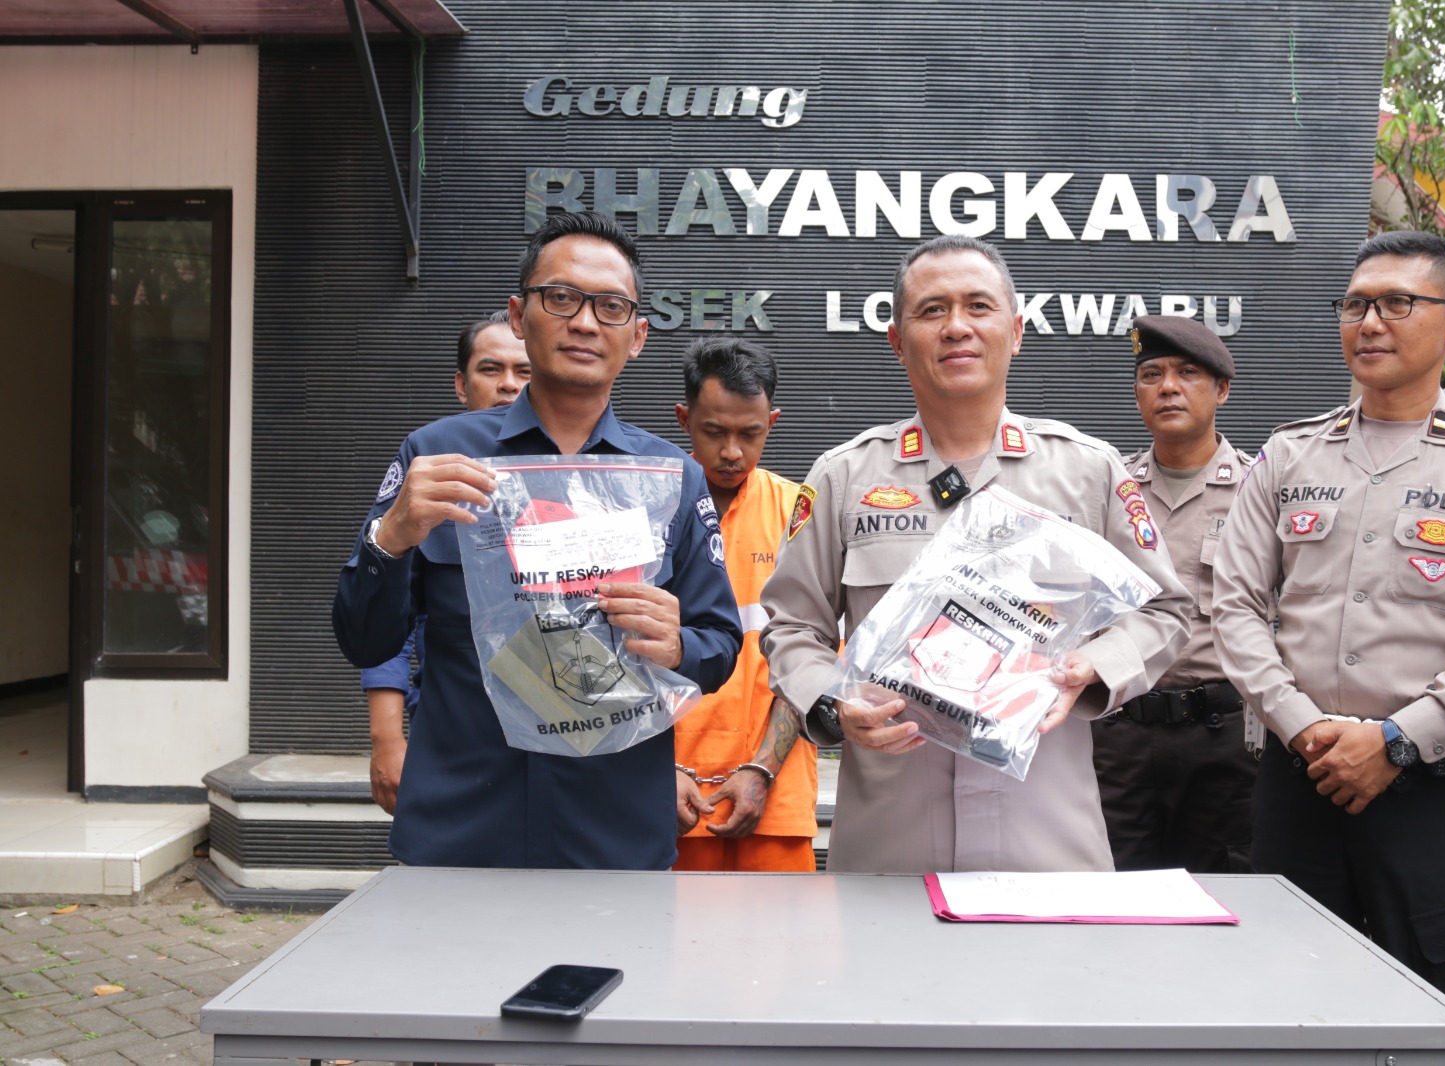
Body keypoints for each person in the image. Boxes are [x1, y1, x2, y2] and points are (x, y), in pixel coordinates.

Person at [1212, 230, 1445, 1066]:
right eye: (1355, 305)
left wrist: (1399, 739)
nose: (1370, 323)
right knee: (1290, 1008)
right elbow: (1234, 605)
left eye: (1397, 304)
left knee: (1443, 1016)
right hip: (1301, 779)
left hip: (1434, 791)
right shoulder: (1290, 454)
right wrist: (1302, 724)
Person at [760, 234, 1191, 874]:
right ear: (896, 340)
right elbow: (793, 626)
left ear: (1015, 332)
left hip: (1045, 837)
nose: (956, 326)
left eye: (978, 306)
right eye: (932, 310)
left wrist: (1094, 667)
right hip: (892, 844)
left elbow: (1166, 611)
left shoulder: (1089, 471)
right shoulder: (844, 477)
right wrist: (832, 702)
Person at [334, 210, 743, 869]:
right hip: (461, 829)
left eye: (610, 306)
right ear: (519, 315)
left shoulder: (670, 478)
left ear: (637, 335)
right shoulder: (438, 458)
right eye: (561, 298)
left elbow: (720, 644)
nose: (585, 322)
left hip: (614, 834)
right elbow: (365, 640)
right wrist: (392, 538)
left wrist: (678, 646)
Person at [1092, 315, 1257, 872]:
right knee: (1112, 890)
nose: (1167, 387)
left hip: (1224, 739)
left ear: (1222, 390)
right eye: (1151, 375)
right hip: (1120, 735)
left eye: (1187, 373)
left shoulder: (1261, 490)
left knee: (1226, 894)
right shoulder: (1111, 490)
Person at [362, 309, 531, 815]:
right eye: (490, 369)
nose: (509, 385)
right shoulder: (427, 473)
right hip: (454, 738)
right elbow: (384, 617)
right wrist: (386, 739)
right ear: (461, 385)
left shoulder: (589, 475)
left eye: (524, 371)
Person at [670, 337, 818, 872]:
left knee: (781, 930)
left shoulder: (799, 511)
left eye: (750, 434)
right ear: (684, 419)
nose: (732, 451)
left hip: (775, 795)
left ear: (772, 423)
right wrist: (656, 769)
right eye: (714, 432)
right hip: (668, 794)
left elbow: (818, 656)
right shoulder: (649, 506)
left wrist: (763, 770)